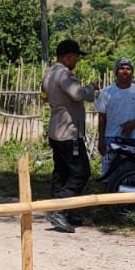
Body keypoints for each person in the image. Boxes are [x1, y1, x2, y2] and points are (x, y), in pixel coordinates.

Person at [42, 39, 97, 233]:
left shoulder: (48, 74)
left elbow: (46, 98)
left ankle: (64, 210)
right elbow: (77, 94)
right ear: (68, 56)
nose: (77, 61)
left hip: (56, 129)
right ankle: (59, 209)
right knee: (81, 172)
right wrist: (90, 89)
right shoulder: (64, 74)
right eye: (76, 57)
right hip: (69, 131)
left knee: (61, 172)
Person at [95, 58, 135, 174]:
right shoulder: (106, 92)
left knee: (131, 172)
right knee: (108, 172)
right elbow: (102, 118)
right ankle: (108, 192)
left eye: (128, 69)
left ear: (132, 72)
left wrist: (133, 123)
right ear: (116, 72)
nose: (125, 71)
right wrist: (100, 140)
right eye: (121, 68)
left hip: (132, 140)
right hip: (110, 137)